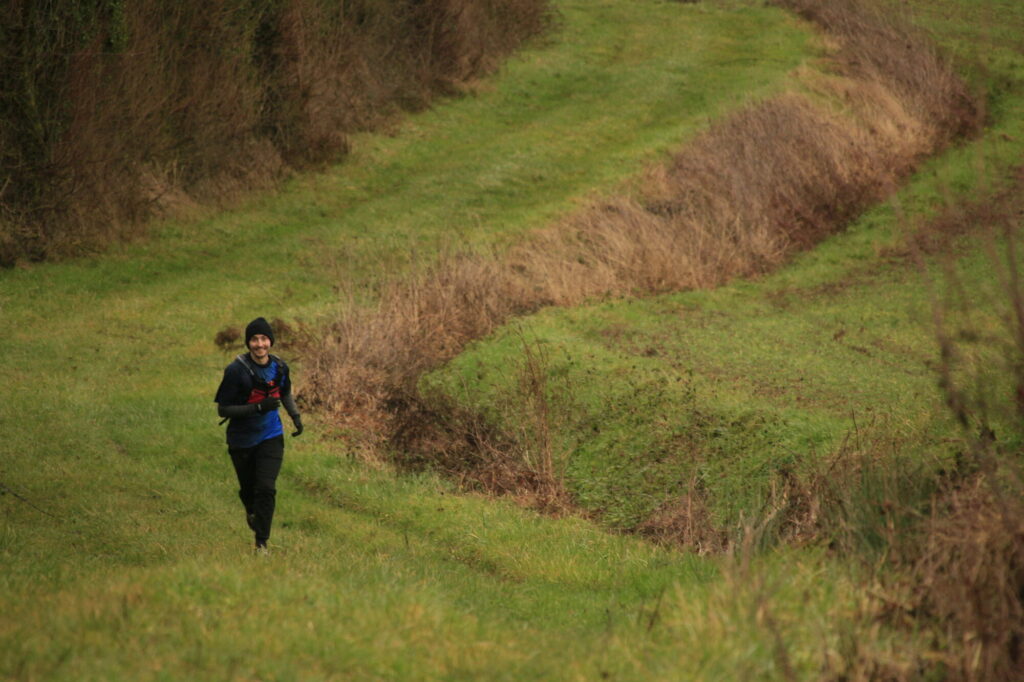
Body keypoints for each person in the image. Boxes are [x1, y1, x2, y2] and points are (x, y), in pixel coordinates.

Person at [214, 317, 303, 554]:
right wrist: (258, 408)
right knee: (248, 490)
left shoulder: (281, 367)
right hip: (241, 440)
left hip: (271, 436)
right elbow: (223, 409)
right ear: (248, 343)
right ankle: (251, 511)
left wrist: (295, 416)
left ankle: (261, 543)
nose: (260, 344)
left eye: (264, 339)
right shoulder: (236, 371)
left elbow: (285, 393)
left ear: (270, 342)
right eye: (254, 339)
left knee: (266, 488)